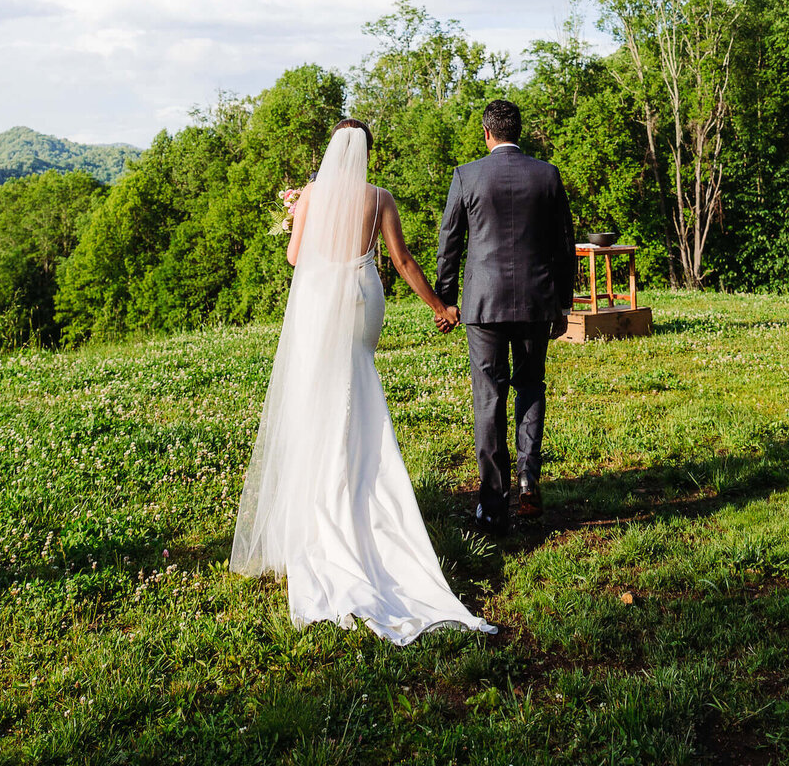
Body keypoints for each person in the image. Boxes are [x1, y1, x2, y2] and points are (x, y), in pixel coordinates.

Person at [229, 119, 494, 644]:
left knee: (318, 390)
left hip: (319, 297)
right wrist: (439, 304)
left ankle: (323, 499)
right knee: (359, 379)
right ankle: (364, 481)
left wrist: (299, 217)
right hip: (362, 295)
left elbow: (294, 256)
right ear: (366, 151)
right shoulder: (379, 197)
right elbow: (400, 259)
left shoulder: (310, 194)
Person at [435, 99, 576, 537]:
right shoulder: (546, 174)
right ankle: (529, 480)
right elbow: (564, 244)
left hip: (483, 305)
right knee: (531, 385)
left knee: (489, 397)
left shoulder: (467, 175)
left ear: (486, 133)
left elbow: (450, 242)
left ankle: (492, 505)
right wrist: (563, 303)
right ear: (520, 131)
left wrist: (446, 299)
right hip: (536, 302)